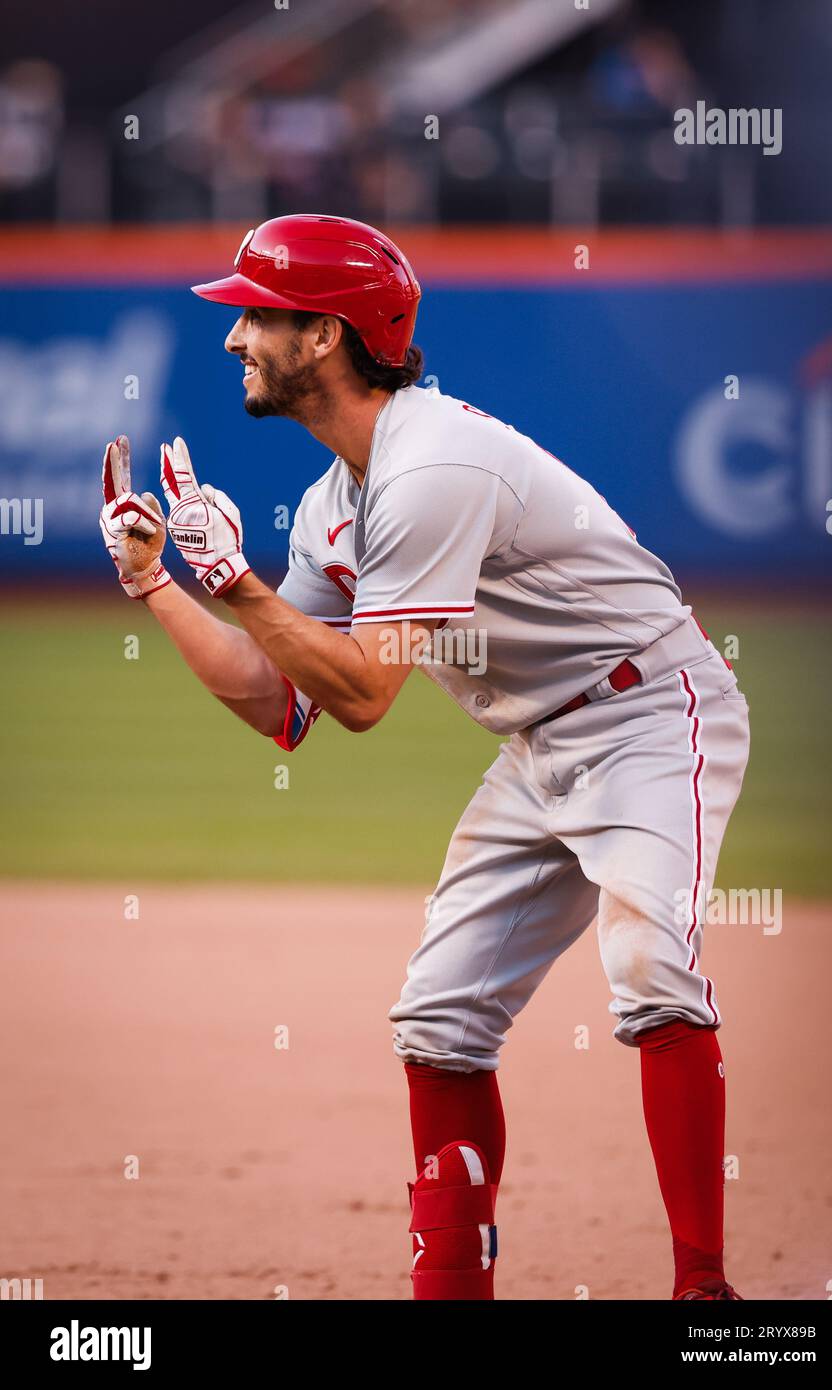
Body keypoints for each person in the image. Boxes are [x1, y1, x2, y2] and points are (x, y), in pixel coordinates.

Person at [98, 214, 749, 1301]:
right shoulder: (331, 503)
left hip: (647, 712)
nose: (231, 338)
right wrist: (160, 584)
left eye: (255, 312)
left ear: (324, 337)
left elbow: (362, 696)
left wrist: (239, 586)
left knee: (649, 972)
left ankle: (704, 1295)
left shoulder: (431, 463)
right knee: (439, 1017)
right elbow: (284, 706)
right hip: (537, 740)